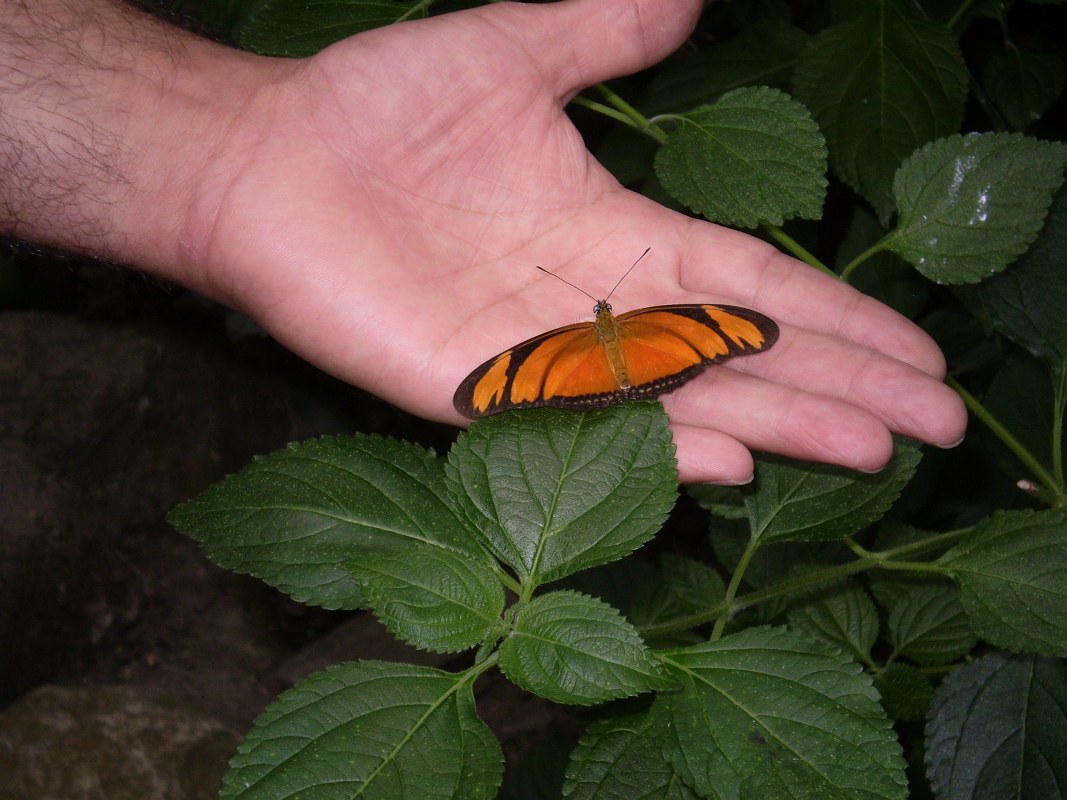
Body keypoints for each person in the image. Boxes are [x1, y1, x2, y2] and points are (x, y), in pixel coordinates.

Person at [0, 0, 966, 484]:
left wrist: (226, 150)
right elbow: (705, 332)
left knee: (543, 383)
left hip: (576, 370)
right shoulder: (668, 329)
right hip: (638, 363)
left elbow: (517, 379)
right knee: (649, 365)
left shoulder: (554, 354)